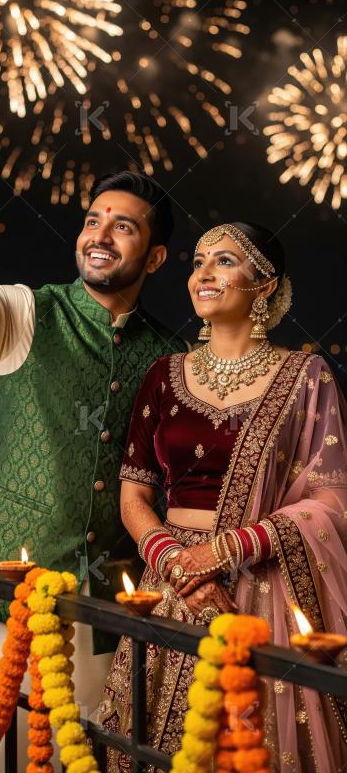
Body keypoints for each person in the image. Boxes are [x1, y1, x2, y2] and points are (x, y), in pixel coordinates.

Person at [0, 102, 186, 769]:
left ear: (156, 255)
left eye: (123, 227)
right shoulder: (27, 314)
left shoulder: (172, 358)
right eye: (93, 221)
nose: (100, 235)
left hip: (102, 624)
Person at [95, 221, 347, 773]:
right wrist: (175, 563)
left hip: (263, 590)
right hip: (173, 585)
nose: (203, 274)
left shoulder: (306, 376)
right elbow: (134, 493)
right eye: (198, 261)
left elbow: (330, 501)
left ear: (264, 285)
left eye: (225, 261)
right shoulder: (164, 375)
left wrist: (226, 551)